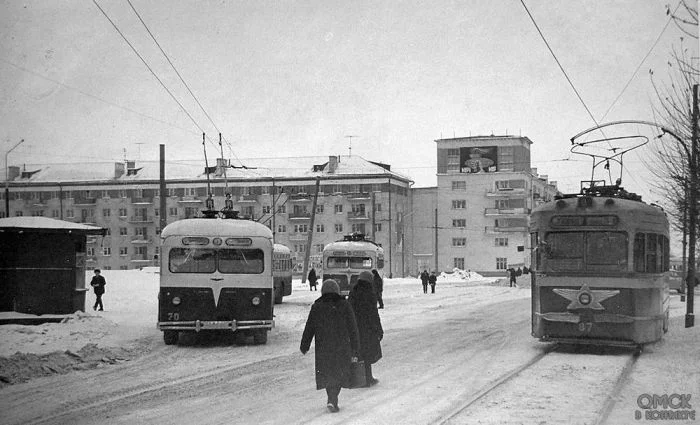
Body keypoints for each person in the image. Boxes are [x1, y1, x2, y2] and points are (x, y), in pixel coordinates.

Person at [300, 279, 360, 413]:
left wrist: (304, 345)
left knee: (327, 372)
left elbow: (309, 327)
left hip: (324, 346)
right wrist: (355, 347)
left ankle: (331, 397)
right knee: (339, 372)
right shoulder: (344, 305)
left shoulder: (317, 306)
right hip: (341, 346)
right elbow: (353, 327)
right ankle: (333, 398)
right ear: (337, 290)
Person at [348, 271, 383, 387]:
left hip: (356, 328)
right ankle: (367, 378)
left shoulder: (353, 292)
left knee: (359, 353)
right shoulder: (370, 293)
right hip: (368, 328)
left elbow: (349, 310)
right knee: (367, 353)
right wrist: (379, 329)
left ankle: (360, 378)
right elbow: (373, 313)